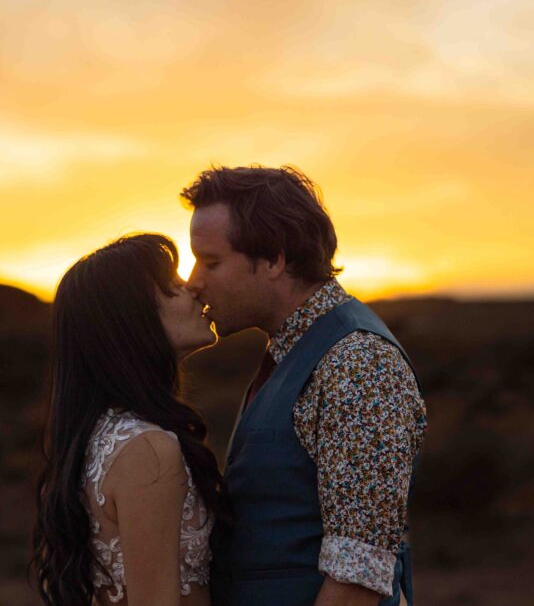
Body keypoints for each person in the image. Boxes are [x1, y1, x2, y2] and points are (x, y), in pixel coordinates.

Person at [181, 166, 427, 606]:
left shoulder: (356, 363)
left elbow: (357, 579)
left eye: (211, 261)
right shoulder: (291, 352)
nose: (194, 281)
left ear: (274, 259)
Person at [32, 233, 228, 606]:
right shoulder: (147, 448)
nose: (194, 291)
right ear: (133, 321)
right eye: (173, 287)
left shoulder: (99, 436)